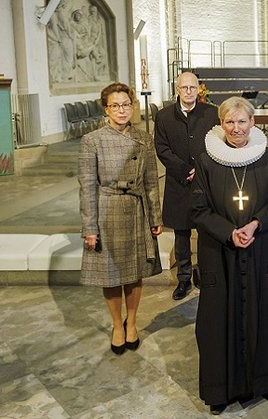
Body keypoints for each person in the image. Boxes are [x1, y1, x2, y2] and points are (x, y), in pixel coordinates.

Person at [191, 97, 268, 415]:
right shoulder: (206, 162)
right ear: (221, 125)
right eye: (229, 122)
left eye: (242, 121)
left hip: (260, 248)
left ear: (253, 123)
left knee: (267, 315)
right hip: (220, 251)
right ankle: (219, 390)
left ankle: (264, 381)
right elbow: (199, 209)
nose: (236, 128)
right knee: (216, 320)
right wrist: (229, 232)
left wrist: (257, 224)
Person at [79, 82, 163, 355]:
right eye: (115, 105)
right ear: (106, 109)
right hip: (107, 211)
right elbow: (87, 187)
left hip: (136, 210)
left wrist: (154, 215)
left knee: (135, 272)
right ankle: (117, 324)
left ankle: (132, 323)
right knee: (111, 274)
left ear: (132, 106)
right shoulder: (92, 140)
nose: (121, 110)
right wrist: (90, 227)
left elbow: (151, 181)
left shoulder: (143, 138)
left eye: (126, 104)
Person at [155, 72, 219, 301]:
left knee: (205, 231)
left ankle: (202, 273)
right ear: (177, 89)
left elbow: (218, 142)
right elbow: (162, 148)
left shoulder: (212, 113)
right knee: (181, 233)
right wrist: (184, 170)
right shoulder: (163, 116)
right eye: (184, 87)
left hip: (206, 182)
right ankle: (183, 278)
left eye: (193, 87)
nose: (189, 91)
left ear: (199, 90)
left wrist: (201, 170)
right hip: (178, 182)